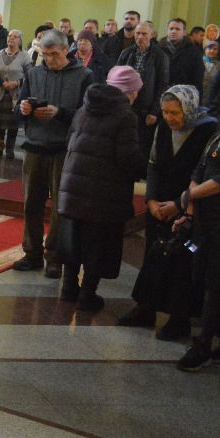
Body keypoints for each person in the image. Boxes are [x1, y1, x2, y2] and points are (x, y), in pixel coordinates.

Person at [118, 84, 217, 339]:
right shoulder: (163, 127)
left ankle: (179, 318)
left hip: (188, 206)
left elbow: (203, 173)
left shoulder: (207, 130)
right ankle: (146, 308)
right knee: (153, 256)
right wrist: (151, 200)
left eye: (175, 112)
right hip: (159, 205)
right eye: (165, 112)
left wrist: (178, 204)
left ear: (189, 109)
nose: (169, 118)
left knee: (182, 264)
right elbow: (153, 165)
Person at [53, 79, 147, 311]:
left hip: (73, 186)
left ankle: (68, 290)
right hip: (104, 192)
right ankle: (87, 296)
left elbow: (69, 141)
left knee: (73, 239)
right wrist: (146, 169)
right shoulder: (125, 116)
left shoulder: (84, 108)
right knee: (97, 244)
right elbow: (127, 158)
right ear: (129, 92)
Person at [13, 29, 93, 277]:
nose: (49, 59)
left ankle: (55, 256)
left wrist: (60, 113)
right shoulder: (34, 73)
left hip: (63, 149)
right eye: (45, 54)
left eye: (54, 54)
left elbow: (88, 114)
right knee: (31, 204)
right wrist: (23, 108)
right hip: (35, 146)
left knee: (60, 206)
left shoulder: (84, 75)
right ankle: (32, 253)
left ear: (66, 50)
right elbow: (19, 107)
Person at [175, 83, 220, 371]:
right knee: (205, 272)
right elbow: (202, 164)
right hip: (206, 216)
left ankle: (204, 344)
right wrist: (190, 203)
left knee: (218, 281)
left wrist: (190, 195)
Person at [116, 21, 170, 153]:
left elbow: (162, 85)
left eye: (144, 34)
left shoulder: (160, 55)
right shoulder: (126, 53)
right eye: (138, 33)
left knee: (141, 146)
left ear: (151, 35)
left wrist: (154, 111)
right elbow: (116, 79)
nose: (140, 37)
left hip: (146, 109)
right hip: (126, 105)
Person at [0, 29, 26, 158]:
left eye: (15, 37)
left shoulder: (24, 56)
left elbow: (30, 75)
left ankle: (10, 150)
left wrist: (16, 83)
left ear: (20, 40)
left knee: (13, 125)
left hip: (15, 96)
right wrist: (3, 83)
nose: (11, 38)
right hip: (0, 94)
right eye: (9, 36)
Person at [160, 18, 205, 90]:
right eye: (171, 29)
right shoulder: (158, 49)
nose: (173, 31)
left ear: (184, 32)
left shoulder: (193, 51)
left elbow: (198, 77)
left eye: (177, 29)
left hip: (182, 92)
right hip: (160, 91)